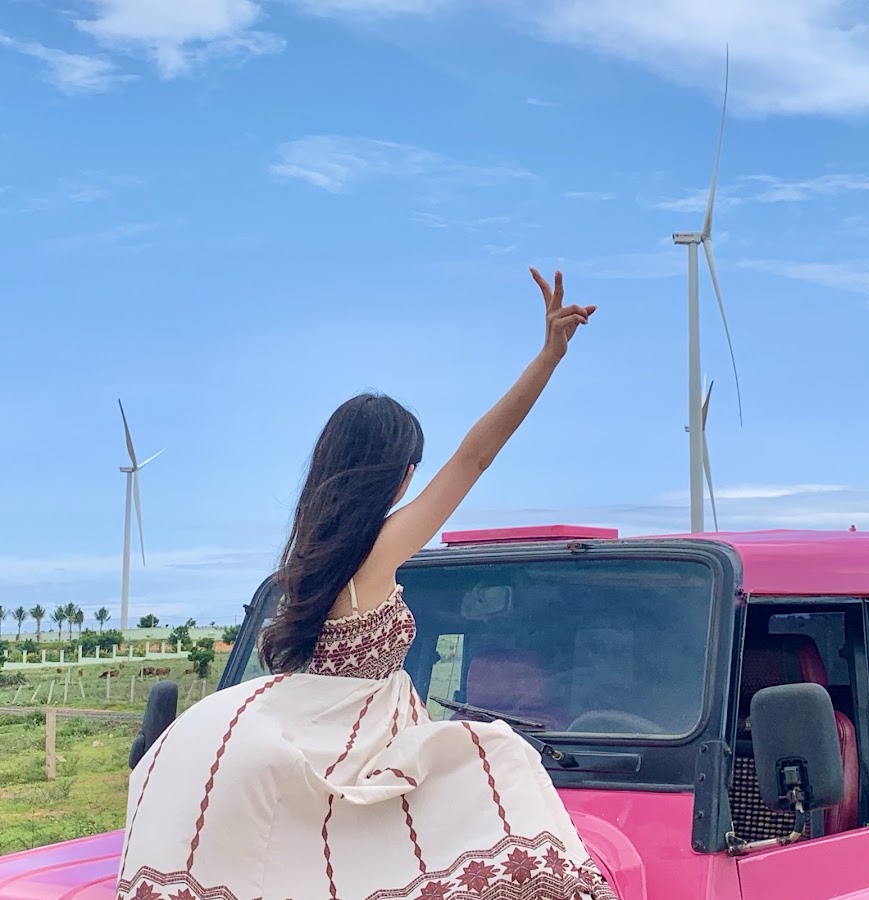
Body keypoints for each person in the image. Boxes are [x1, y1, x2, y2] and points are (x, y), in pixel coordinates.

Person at [116, 269, 618, 900]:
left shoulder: (308, 560)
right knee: (500, 755)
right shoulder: (375, 554)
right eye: (413, 467)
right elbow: (475, 456)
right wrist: (548, 358)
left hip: (336, 732)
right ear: (397, 473)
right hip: (365, 744)